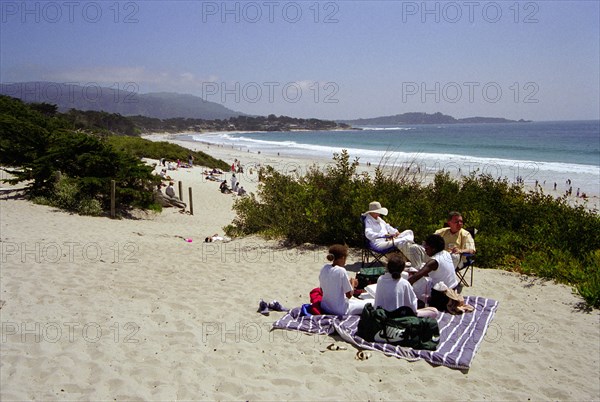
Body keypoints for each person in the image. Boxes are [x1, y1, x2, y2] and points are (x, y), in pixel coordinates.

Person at [363, 201, 427, 268]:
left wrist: (395, 232)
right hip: (379, 243)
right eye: (378, 212)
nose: (379, 213)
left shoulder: (378, 219)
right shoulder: (368, 221)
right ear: (372, 212)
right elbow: (368, 234)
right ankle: (416, 261)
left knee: (409, 232)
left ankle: (415, 256)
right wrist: (384, 235)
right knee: (402, 242)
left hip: (388, 240)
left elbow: (387, 226)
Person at [374, 254, 439, 318]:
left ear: (387, 267)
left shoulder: (380, 279)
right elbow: (412, 306)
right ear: (402, 269)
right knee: (434, 311)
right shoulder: (404, 283)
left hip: (382, 316)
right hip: (399, 319)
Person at [408, 234, 459, 312]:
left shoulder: (434, 262)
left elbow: (415, 278)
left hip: (444, 296)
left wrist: (402, 285)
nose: (425, 250)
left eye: (427, 248)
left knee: (417, 287)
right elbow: (437, 272)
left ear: (434, 249)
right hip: (454, 288)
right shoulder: (445, 253)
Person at [319, 244, 372, 315]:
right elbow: (349, 295)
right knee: (372, 302)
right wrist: (353, 283)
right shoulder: (341, 271)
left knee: (356, 301)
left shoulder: (324, 268)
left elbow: (322, 290)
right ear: (343, 257)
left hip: (325, 306)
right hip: (339, 310)